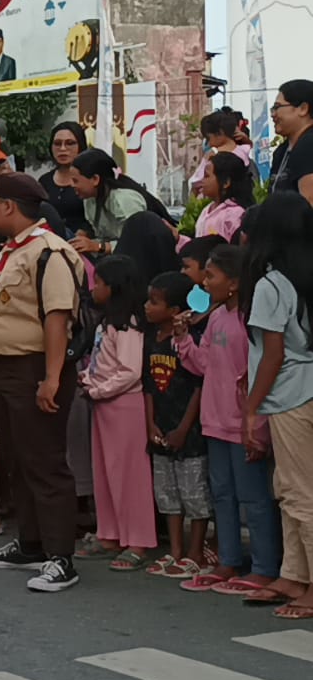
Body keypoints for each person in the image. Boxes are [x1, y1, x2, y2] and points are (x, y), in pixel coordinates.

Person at [0, 173, 84, 593]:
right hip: (6, 368)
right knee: (18, 459)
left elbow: (57, 319)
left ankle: (61, 557)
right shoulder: (10, 253)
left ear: (9, 207)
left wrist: (52, 378)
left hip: (37, 367)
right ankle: (31, 543)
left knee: (45, 461)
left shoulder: (50, 252)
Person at [175, 244, 284, 596]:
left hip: (243, 424)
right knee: (222, 493)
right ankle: (229, 560)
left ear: (234, 282)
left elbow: (259, 373)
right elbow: (205, 364)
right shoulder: (217, 317)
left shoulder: (249, 320)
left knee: (253, 497)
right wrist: (183, 340)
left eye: (211, 276)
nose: (204, 283)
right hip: (214, 419)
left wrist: (258, 426)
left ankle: (266, 567)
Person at [240, 195, 313, 615]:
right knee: (290, 487)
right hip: (305, 387)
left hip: (289, 392)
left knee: (298, 493)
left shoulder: (271, 284)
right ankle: (293, 574)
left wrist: (251, 408)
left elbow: (273, 354)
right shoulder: (304, 277)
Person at [74, 255, 157, 569]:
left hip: (124, 404)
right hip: (105, 401)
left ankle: (137, 540)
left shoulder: (128, 323)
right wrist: (91, 380)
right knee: (105, 472)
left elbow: (130, 370)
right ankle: (110, 531)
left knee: (129, 475)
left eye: (100, 284)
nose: (94, 290)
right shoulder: (109, 320)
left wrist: (98, 388)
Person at [142, 271, 209, 580]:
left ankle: (196, 551)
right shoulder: (150, 339)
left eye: (154, 302)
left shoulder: (187, 340)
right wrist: (150, 423)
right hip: (161, 426)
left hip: (188, 430)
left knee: (194, 493)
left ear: (173, 310)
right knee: (167, 493)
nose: (146, 306)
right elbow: (148, 387)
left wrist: (184, 427)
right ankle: (176, 550)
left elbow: (198, 386)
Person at [69, 148, 163, 255]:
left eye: (75, 180)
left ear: (95, 179)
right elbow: (102, 237)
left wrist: (98, 246)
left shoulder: (124, 200)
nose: (71, 185)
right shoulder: (89, 199)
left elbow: (137, 242)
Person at [38, 121, 88, 234]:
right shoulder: (44, 181)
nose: (63, 148)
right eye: (57, 143)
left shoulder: (89, 179)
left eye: (70, 143)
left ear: (81, 145)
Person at [194, 150, 255, 242]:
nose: (202, 180)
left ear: (226, 182)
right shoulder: (206, 211)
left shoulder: (235, 215)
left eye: (207, 176)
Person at [188, 108, 253, 193]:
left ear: (219, 133)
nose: (209, 144)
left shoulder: (214, 156)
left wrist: (205, 159)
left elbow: (196, 181)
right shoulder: (243, 150)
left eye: (209, 138)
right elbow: (248, 146)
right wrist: (246, 139)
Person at [271, 79, 313, 203]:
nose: (273, 114)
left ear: (303, 109)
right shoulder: (282, 150)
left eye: (277, 107)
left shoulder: (309, 144)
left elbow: (309, 200)